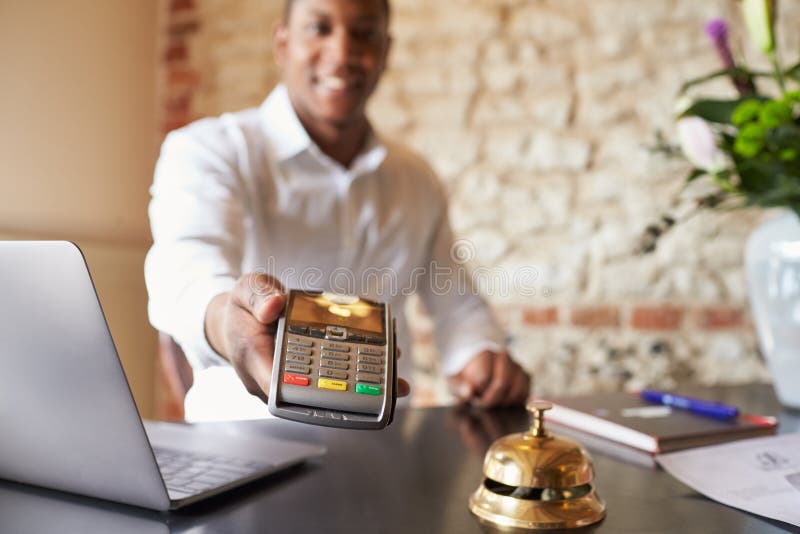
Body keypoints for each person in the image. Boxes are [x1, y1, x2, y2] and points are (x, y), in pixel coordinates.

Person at [145, 0, 531, 421]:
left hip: (385, 447)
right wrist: (227, 320)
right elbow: (186, 272)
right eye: (319, 28)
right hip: (244, 439)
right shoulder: (209, 150)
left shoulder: (416, 178)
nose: (343, 53)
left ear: (385, 51)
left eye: (364, 33)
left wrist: (479, 355)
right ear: (282, 43)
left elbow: (455, 301)